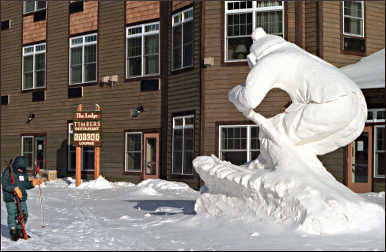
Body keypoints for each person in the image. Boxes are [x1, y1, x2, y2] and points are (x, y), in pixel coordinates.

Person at [229, 27, 367, 156]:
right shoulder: (298, 54)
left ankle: (272, 176)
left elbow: (249, 99)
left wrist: (233, 93)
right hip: (358, 112)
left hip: (335, 104)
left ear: (253, 58)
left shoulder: (270, 59)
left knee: (272, 134)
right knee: (302, 150)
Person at [2, 156, 44, 241]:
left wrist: (33, 183)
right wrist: (14, 188)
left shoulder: (23, 173)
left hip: (22, 198)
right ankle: (13, 231)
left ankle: (20, 230)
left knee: (24, 214)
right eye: (20, 168)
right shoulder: (8, 171)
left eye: (23, 168)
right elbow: (5, 184)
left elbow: (25, 185)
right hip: (11, 198)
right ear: (16, 165)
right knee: (12, 214)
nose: (21, 170)